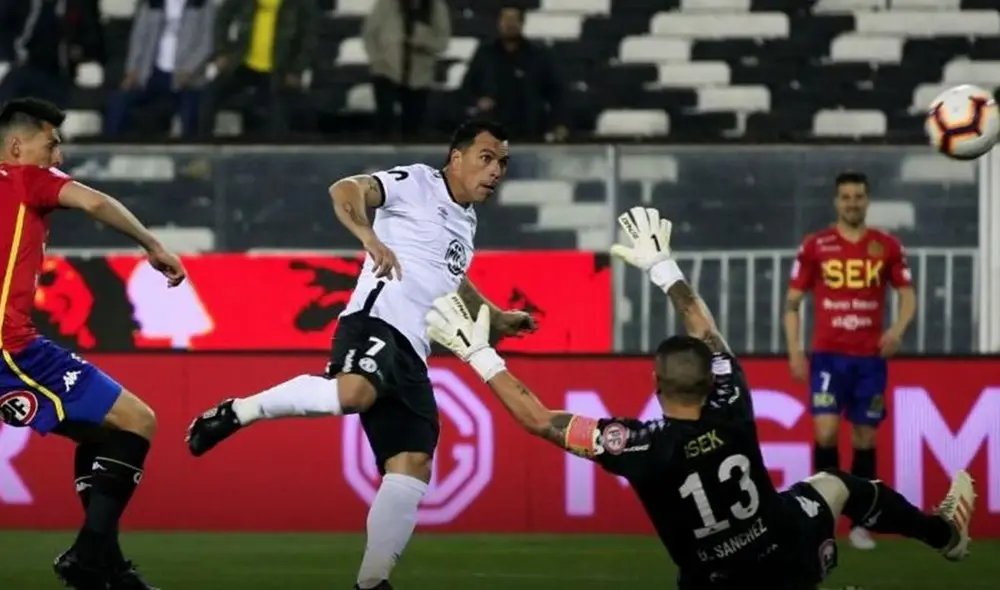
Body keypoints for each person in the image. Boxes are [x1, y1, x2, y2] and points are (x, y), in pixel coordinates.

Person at [426, 206, 974, 590]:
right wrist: (665, 268)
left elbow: (540, 419)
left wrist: (480, 354)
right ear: (710, 381)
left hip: (719, 581)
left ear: (656, 387)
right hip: (788, 547)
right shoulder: (733, 400)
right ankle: (943, 533)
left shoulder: (641, 445)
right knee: (838, 484)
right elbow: (703, 326)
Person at [186, 119, 536, 590]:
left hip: (414, 348)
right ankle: (239, 410)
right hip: (376, 321)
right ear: (456, 158)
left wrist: (498, 317)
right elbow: (344, 188)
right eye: (487, 158)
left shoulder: (465, 220)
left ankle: (371, 581)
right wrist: (369, 236)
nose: (496, 171)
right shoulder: (417, 182)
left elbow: (449, 278)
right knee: (354, 393)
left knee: (413, 462)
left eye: (503, 163)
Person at [0, 98, 186, 590]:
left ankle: (106, 565)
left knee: (103, 435)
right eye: (50, 144)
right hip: (11, 348)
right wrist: (153, 244)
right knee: (138, 420)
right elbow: (96, 202)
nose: (57, 158)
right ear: (17, 147)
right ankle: (91, 555)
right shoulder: (25, 179)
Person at [784, 170, 917, 551]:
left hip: (869, 360)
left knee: (865, 437)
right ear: (836, 201)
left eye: (858, 196)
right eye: (846, 197)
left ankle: (862, 521)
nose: (852, 203)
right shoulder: (816, 246)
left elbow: (907, 294)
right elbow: (793, 302)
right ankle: (819, 514)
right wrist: (795, 349)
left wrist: (898, 329)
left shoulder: (886, 246)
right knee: (825, 433)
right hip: (827, 356)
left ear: (867, 200)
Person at [199, 0, 318, 137]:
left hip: (278, 69)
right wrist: (221, 52)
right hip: (243, 64)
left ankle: (274, 152)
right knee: (210, 94)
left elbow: (308, 38)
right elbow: (222, 18)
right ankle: (204, 146)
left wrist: (296, 69)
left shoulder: (300, 4)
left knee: (277, 113)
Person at [104, 0, 215, 138]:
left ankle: (189, 158)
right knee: (119, 101)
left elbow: (206, 44)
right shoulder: (152, 4)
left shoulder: (203, 5)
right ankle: (109, 153)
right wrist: (132, 70)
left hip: (187, 79)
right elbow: (138, 38)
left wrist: (188, 70)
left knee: (191, 114)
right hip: (151, 74)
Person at [461, 5, 568, 141]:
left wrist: (559, 123)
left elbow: (556, 92)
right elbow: (467, 87)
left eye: (513, 20)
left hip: (530, 128)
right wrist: (479, 101)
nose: (509, 24)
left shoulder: (538, 55)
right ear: (499, 23)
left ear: (522, 23)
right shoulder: (485, 53)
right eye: (505, 20)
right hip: (492, 128)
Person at [362, 0, 451, 139]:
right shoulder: (386, 4)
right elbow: (370, 33)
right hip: (386, 69)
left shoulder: (436, 7)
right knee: (384, 122)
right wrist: (377, 59)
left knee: (412, 127)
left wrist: (424, 39)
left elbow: (442, 42)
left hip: (420, 75)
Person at [0, 0, 105, 108]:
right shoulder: (21, 5)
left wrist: (79, 52)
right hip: (25, 69)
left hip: (62, 79)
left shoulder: (79, 5)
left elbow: (94, 41)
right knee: (14, 80)